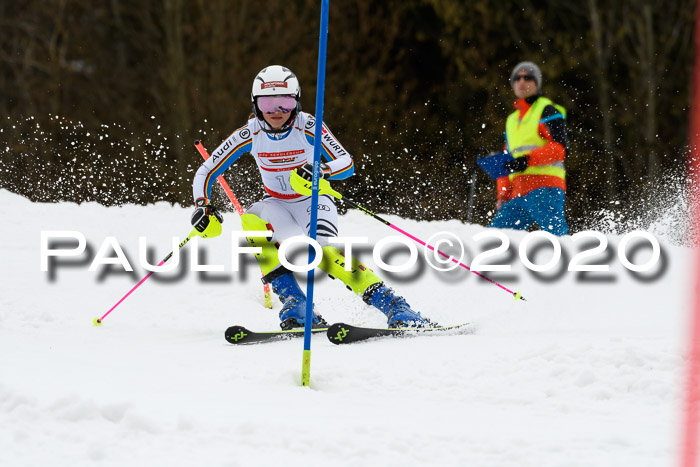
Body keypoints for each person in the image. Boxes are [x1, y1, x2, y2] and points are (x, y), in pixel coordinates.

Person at [190, 65, 430, 330]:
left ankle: (396, 306)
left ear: (296, 101)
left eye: (285, 103)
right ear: (256, 104)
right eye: (268, 104)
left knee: (325, 254)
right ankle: (298, 304)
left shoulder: (308, 125)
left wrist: (320, 170)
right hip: (278, 204)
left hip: (313, 200)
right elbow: (207, 171)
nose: (276, 112)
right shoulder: (250, 134)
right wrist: (204, 206)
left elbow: (346, 163)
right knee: (252, 218)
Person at [489, 61, 569, 236]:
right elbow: (507, 159)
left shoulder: (547, 110)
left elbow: (560, 148)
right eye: (517, 78)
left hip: (545, 188)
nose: (521, 82)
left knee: (556, 240)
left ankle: (570, 262)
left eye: (528, 77)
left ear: (537, 83)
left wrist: (527, 160)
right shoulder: (511, 120)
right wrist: (503, 195)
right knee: (494, 238)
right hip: (518, 194)